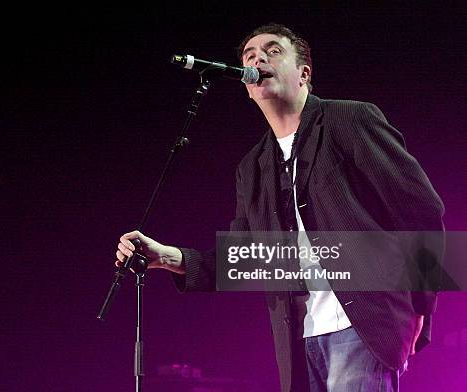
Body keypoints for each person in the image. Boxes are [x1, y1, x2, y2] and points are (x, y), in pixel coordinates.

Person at [115, 23, 444, 392]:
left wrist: (421, 306)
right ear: (247, 88)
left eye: (273, 51)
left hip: (363, 325)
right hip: (299, 342)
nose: (258, 59)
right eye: (250, 56)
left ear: (304, 73)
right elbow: (245, 258)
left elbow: (421, 210)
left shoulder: (349, 119)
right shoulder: (252, 168)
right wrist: (168, 257)